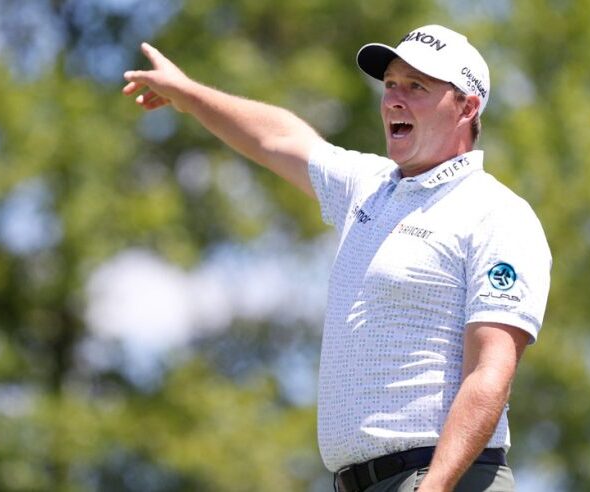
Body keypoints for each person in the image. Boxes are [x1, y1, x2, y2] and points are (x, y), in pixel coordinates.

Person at [123, 24, 551, 492]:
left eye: (417, 87)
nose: (393, 100)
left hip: (447, 480)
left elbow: (491, 372)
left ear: (467, 107)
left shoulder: (496, 213)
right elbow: (278, 139)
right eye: (390, 84)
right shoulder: (370, 187)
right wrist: (187, 94)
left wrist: (433, 489)